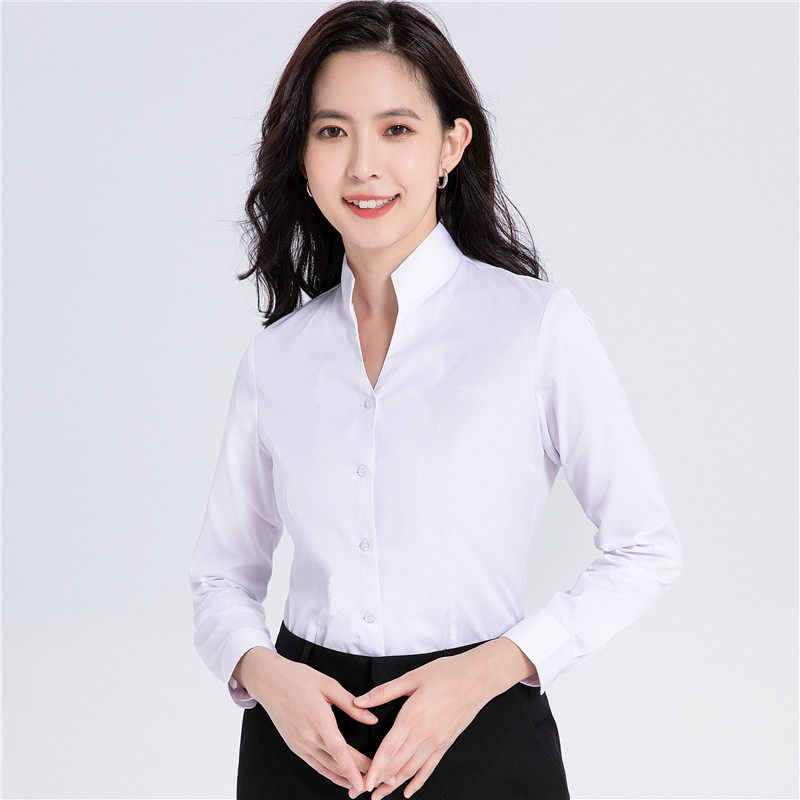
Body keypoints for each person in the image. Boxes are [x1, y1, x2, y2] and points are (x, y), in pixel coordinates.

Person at [188, 2, 683, 798]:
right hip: (302, 741)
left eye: (397, 129)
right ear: (303, 156)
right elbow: (221, 577)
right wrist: (266, 675)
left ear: (451, 144)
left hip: (482, 730)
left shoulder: (536, 328)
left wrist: (493, 667)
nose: (363, 166)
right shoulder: (278, 357)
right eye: (332, 131)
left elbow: (646, 547)